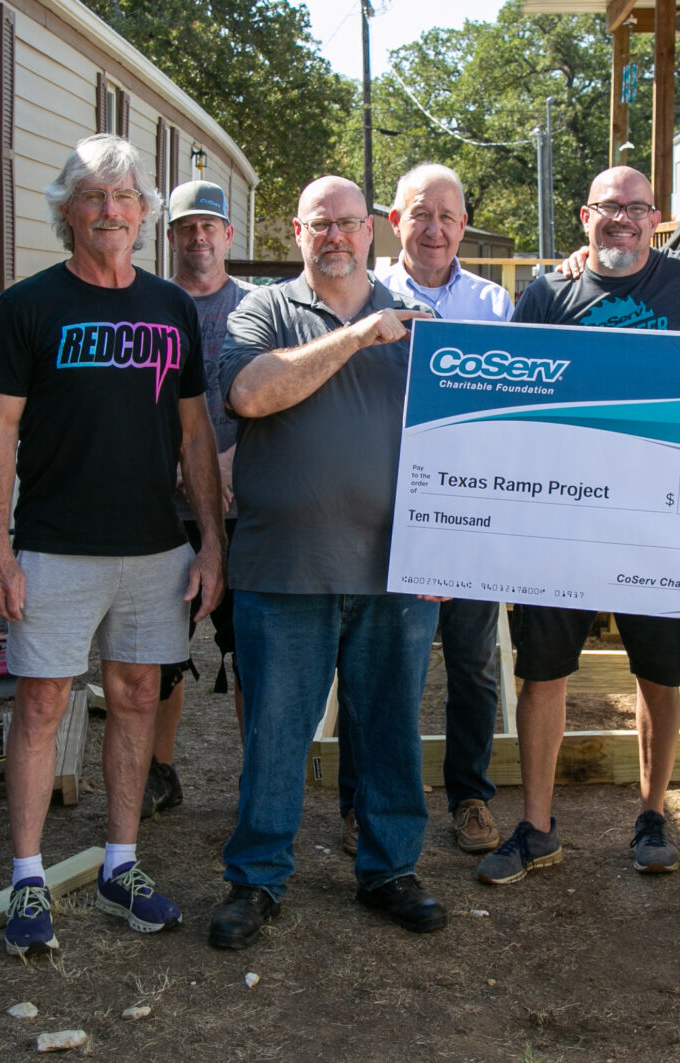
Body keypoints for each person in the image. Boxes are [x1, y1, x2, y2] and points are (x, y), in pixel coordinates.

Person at [0, 133, 224, 957]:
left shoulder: (170, 307)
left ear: (145, 213)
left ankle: (122, 864)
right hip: (52, 544)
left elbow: (194, 437)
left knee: (135, 698)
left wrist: (211, 543)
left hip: (155, 547)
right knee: (41, 703)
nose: (110, 212)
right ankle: (26, 877)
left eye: (124, 198)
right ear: (67, 213)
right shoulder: (29, 305)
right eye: (93, 198)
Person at [473, 165, 680, 887]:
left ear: (657, 216)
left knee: (661, 674)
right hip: (562, 522)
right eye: (607, 208)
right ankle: (536, 826)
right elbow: (510, 400)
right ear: (584, 215)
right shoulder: (547, 293)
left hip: (658, 522)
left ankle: (652, 813)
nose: (621, 219)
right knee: (543, 673)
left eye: (636, 207)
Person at [208, 175, 443, 948]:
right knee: (276, 732)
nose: (335, 236)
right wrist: (356, 336)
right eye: (320, 225)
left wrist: (451, 551)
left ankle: (389, 870)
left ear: (372, 229)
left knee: (388, 730)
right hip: (286, 568)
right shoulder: (262, 310)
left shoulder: (423, 325)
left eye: (348, 222)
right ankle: (257, 879)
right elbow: (250, 393)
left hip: (394, 568)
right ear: (296, 235)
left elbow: (458, 442)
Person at [350, 163, 516, 858]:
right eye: (422, 213)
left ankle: (469, 794)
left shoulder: (493, 303)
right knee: (387, 661)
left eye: (449, 216)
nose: (437, 228)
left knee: (474, 662)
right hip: (386, 507)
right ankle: (368, 797)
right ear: (395, 221)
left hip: (469, 510)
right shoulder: (364, 294)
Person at [146, 179, 254, 819]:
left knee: (251, 652)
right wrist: (180, 465)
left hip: (245, 508)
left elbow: (273, 394)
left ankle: (256, 780)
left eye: (209, 225)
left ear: (227, 235)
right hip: (164, 511)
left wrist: (227, 460)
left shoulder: (256, 308)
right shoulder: (150, 305)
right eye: (187, 227)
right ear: (171, 237)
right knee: (159, 650)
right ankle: (159, 770)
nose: (199, 236)